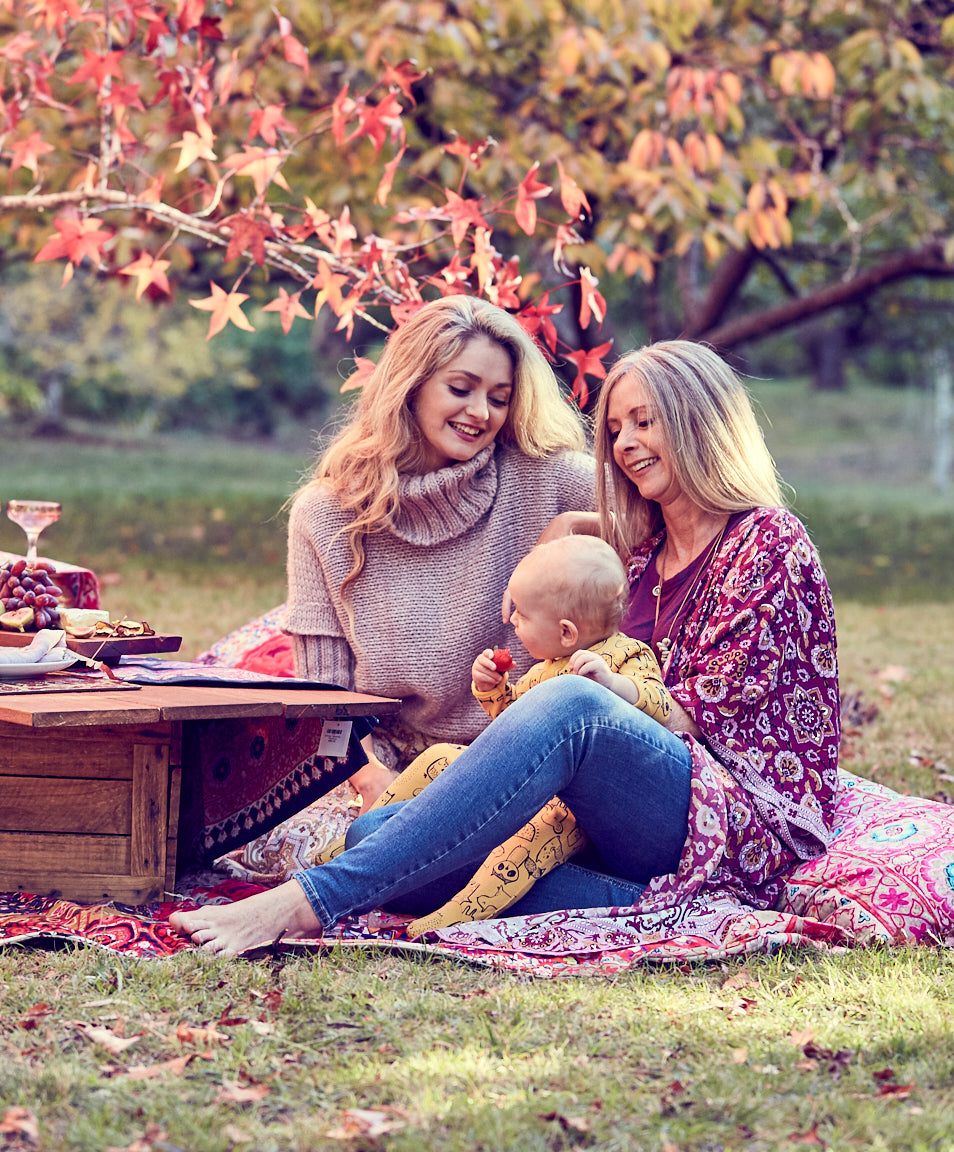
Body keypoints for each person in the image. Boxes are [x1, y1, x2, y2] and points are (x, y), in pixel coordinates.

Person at [173, 340, 841, 958]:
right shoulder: (641, 556)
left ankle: (306, 903)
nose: (628, 445)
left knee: (571, 702)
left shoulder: (769, 543)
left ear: (700, 425)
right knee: (376, 840)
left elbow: (703, 717)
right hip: (616, 830)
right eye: (615, 431)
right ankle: (642, 907)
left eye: (646, 422)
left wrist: (607, 694)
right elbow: (582, 524)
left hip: (726, 815)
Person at [283, 295, 595, 807]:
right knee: (312, 843)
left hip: (523, 759)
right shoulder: (326, 514)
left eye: (499, 397)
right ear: (411, 385)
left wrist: (571, 521)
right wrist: (370, 780)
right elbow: (325, 699)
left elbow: (667, 514)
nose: (480, 413)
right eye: (460, 388)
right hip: (385, 762)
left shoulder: (548, 479)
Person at [338, 534, 678, 938]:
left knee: (525, 843)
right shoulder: (543, 669)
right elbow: (517, 734)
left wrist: (612, 686)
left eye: (522, 614)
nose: (511, 620)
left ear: (567, 632)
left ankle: (456, 916)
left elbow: (661, 703)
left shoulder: (629, 655)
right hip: (534, 787)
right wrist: (493, 688)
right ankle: (360, 841)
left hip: (578, 810)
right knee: (440, 756)